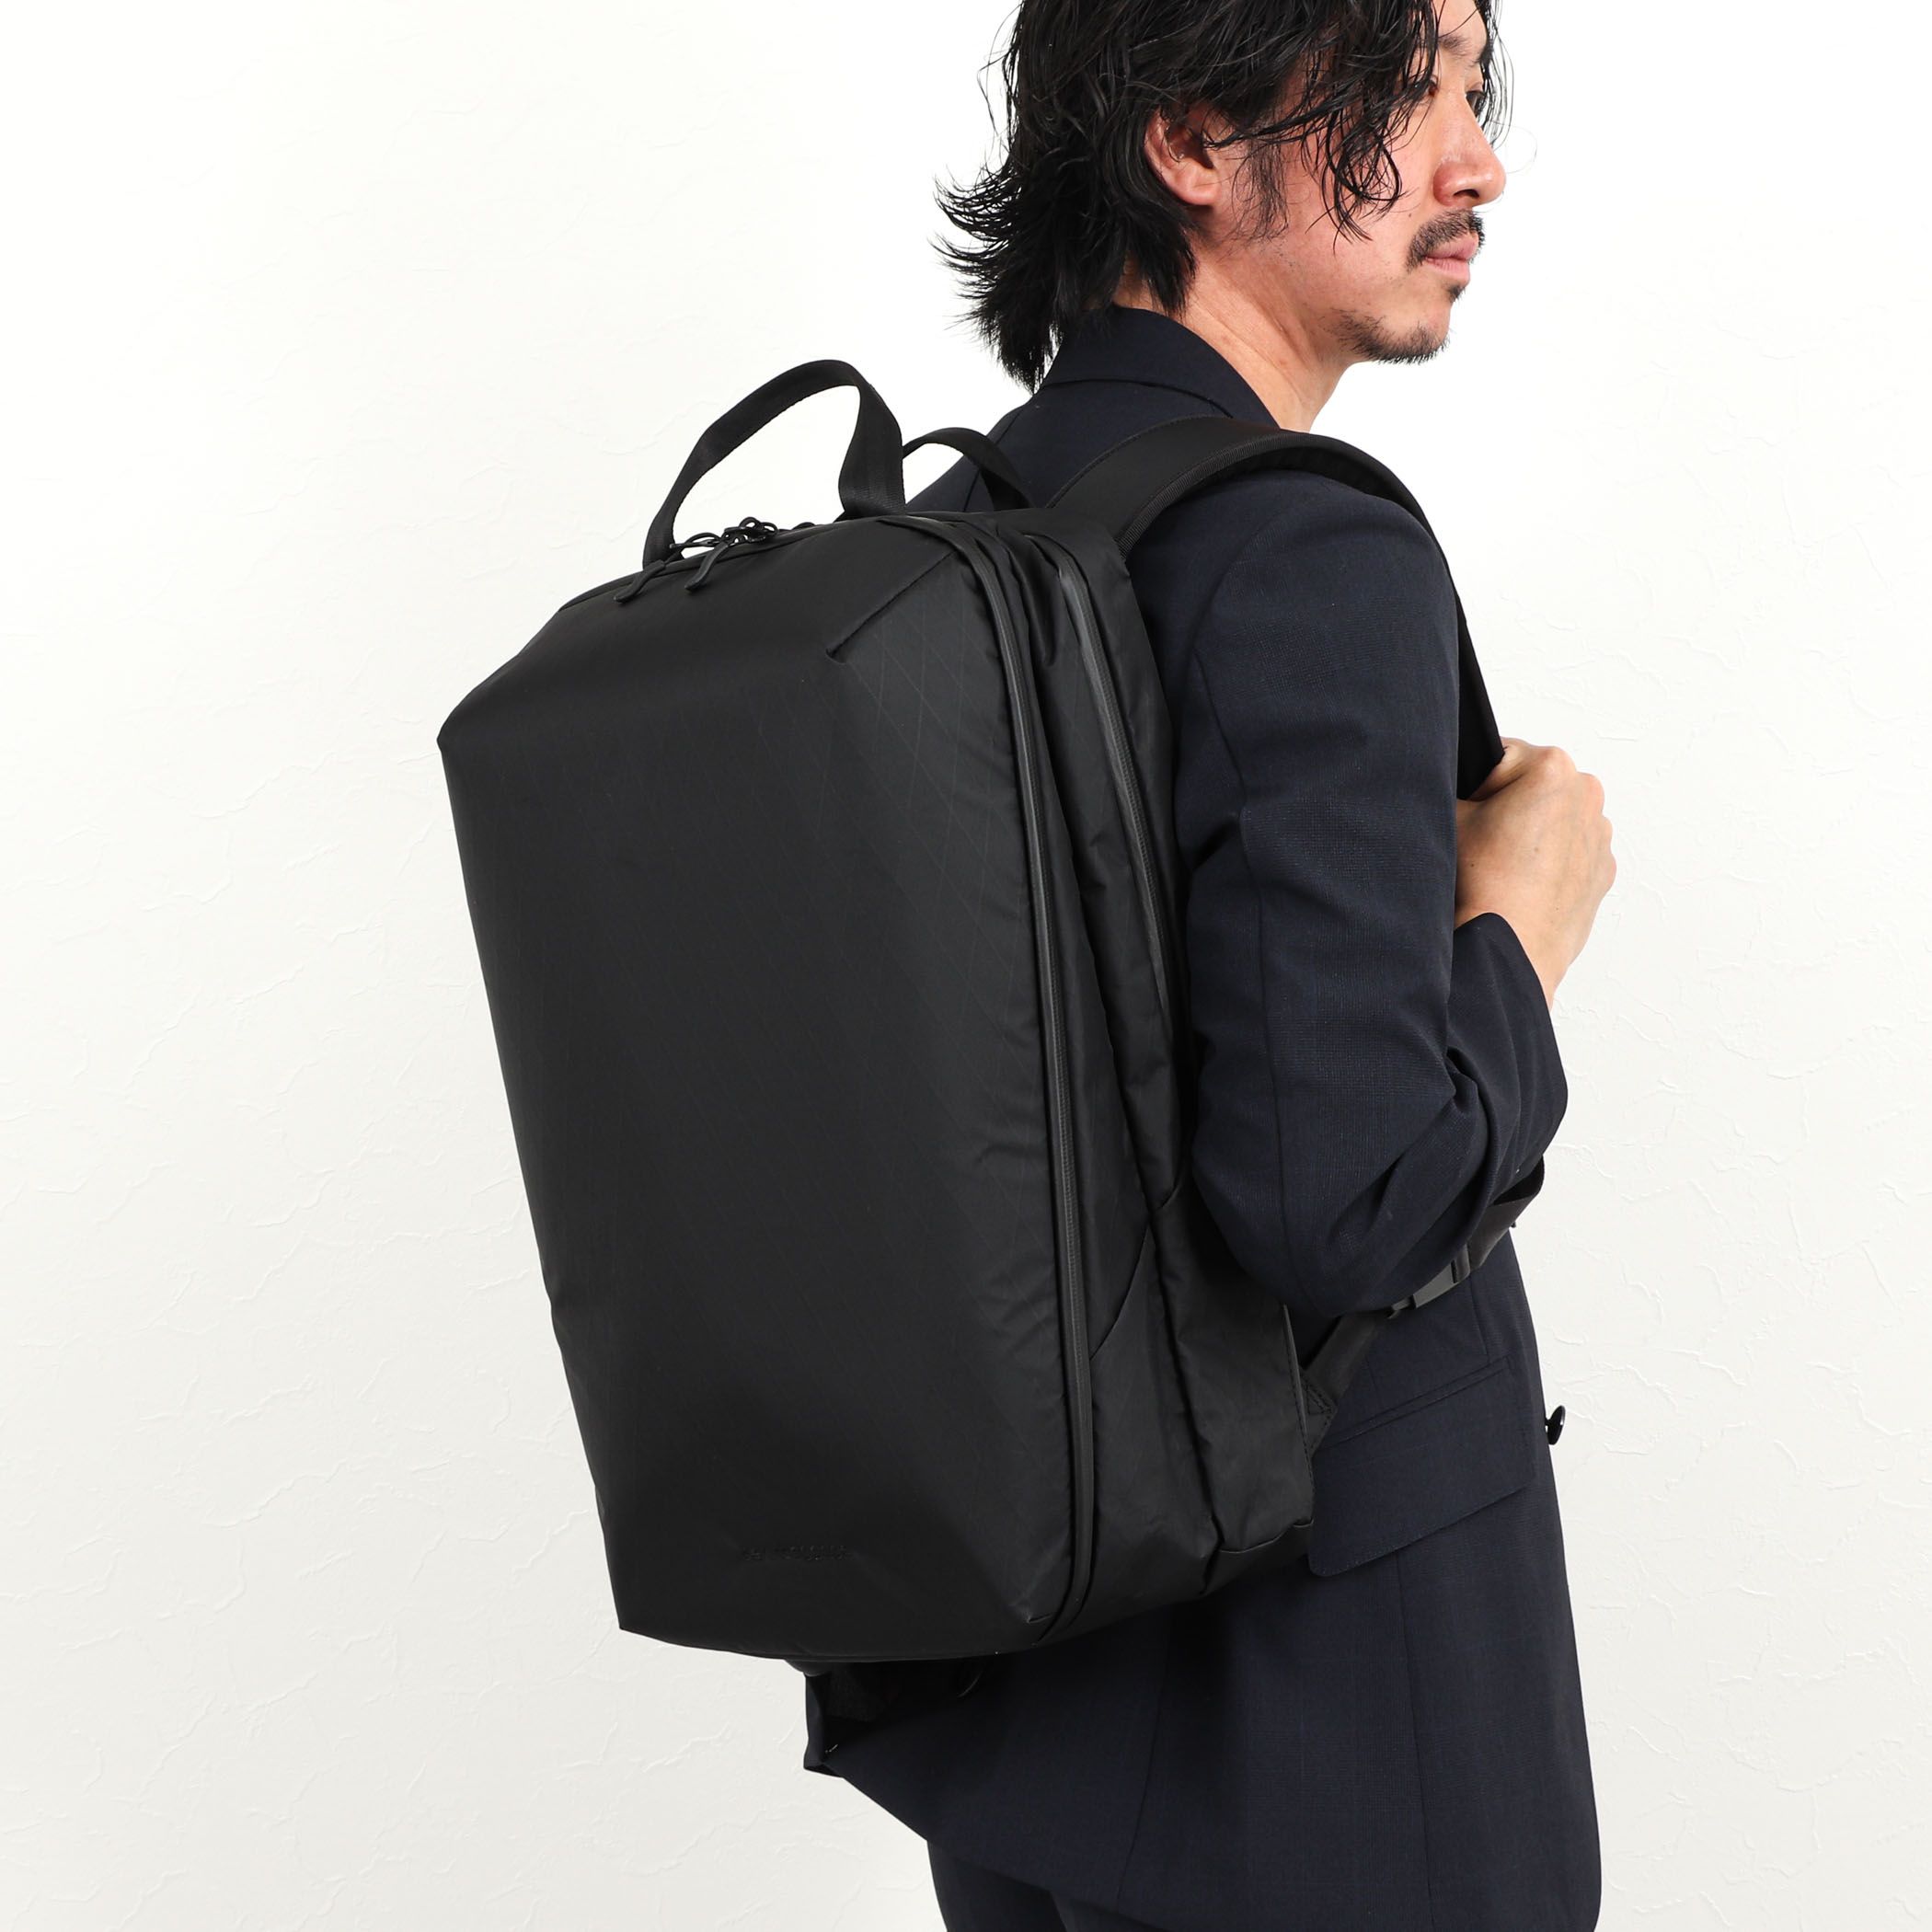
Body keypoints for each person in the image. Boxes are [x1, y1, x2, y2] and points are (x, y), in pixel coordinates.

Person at [800, 2, 1616, 1926]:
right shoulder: (1306, 558)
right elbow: (1340, 1200)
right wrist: (1520, 928)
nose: (1477, 160)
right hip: (1339, 1735)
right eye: (1405, 91)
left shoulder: (950, 542)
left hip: (1033, 1710)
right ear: (1187, 143)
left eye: (1473, 88)